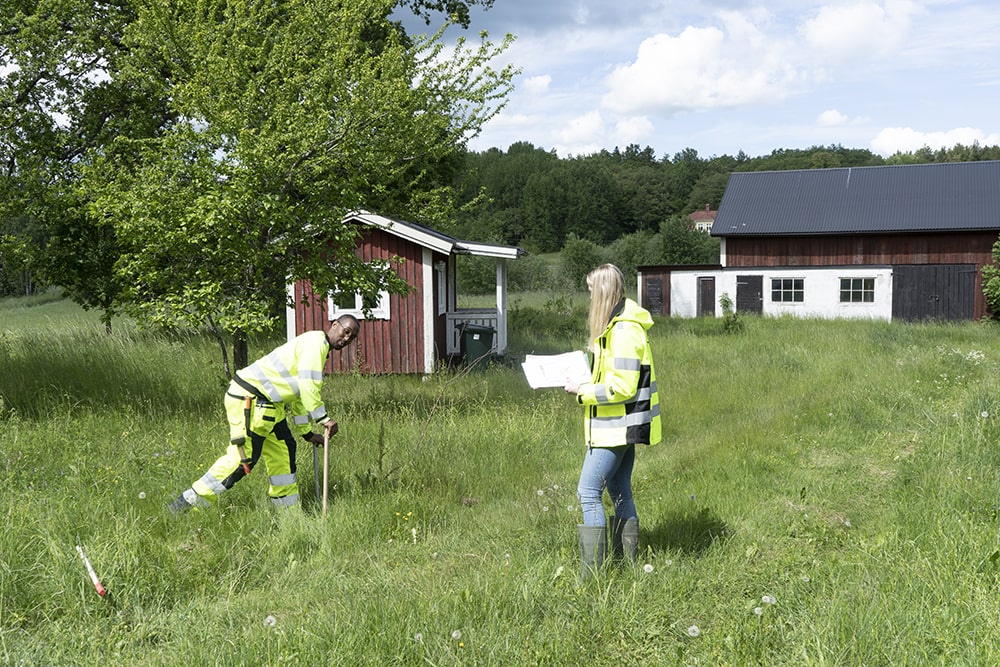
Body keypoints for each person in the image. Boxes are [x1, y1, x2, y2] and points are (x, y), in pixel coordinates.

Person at [169, 314, 360, 512]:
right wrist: (324, 419)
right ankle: (185, 505)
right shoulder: (316, 343)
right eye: (346, 332)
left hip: (269, 405)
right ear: (335, 325)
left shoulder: (316, 345)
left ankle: (290, 516)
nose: (347, 338)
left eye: (351, 337)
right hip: (250, 399)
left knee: (284, 451)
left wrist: (307, 433)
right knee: (243, 460)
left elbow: (298, 396)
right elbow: (308, 386)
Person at [564, 264, 661, 579]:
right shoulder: (615, 327)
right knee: (620, 490)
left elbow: (622, 387)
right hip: (615, 427)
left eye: (592, 288)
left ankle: (590, 576)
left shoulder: (622, 331)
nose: (589, 294)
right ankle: (626, 565)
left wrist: (583, 391)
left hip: (614, 429)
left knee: (588, 493)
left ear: (603, 291)